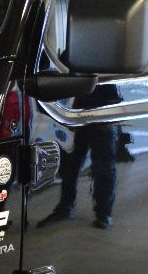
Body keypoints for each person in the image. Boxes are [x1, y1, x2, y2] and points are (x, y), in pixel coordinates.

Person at [38, 82, 123, 229]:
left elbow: (116, 90)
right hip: (77, 117)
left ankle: (104, 214)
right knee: (69, 166)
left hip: (102, 118)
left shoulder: (105, 60)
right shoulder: (76, 60)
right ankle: (65, 207)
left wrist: (108, 116)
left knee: (103, 169)